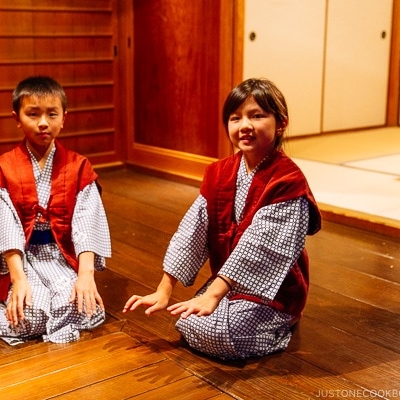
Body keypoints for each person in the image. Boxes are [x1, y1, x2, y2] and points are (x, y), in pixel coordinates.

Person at [123, 78, 321, 360]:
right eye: (235, 118)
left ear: (281, 123)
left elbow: (259, 248)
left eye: (257, 116)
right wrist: (165, 289)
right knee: (188, 320)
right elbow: (192, 231)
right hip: (226, 283)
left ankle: (283, 325)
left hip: (272, 291)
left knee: (217, 333)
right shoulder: (220, 172)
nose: (245, 126)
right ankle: (225, 314)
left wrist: (214, 294)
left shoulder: (288, 182)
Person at [0, 76, 111, 345]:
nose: (43, 123)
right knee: (26, 316)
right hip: (24, 258)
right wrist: (18, 279)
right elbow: (5, 229)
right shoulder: (2, 169)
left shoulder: (79, 167)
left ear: (64, 117)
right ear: (17, 118)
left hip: (61, 257)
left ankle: (57, 310)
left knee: (82, 307)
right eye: (33, 114)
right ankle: (40, 311)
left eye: (52, 114)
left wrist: (86, 276)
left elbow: (87, 225)